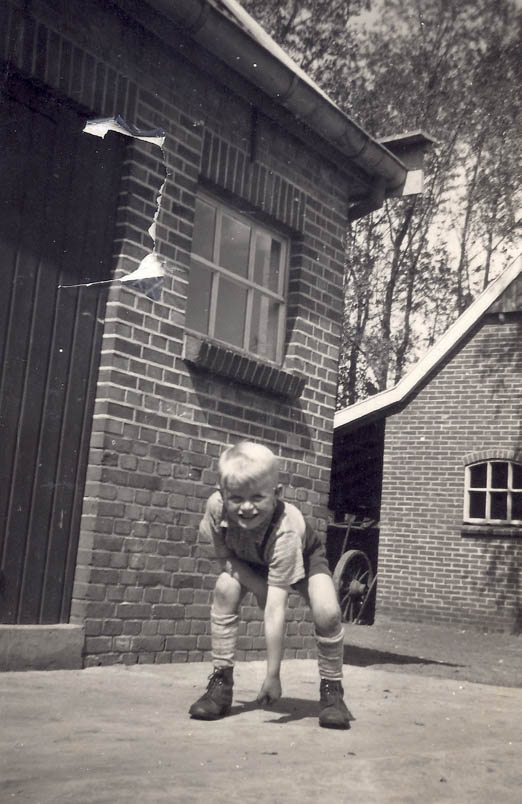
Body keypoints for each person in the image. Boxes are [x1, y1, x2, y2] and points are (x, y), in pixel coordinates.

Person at [189, 441, 350, 729]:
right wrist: (258, 587)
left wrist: (272, 674)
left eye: (257, 497)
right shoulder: (216, 508)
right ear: (221, 492)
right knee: (225, 589)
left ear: (277, 494)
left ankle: (332, 690)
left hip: (302, 558)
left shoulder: (285, 530)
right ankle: (220, 684)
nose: (247, 507)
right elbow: (224, 557)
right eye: (236, 498)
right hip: (248, 558)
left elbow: (275, 607)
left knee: (328, 612)